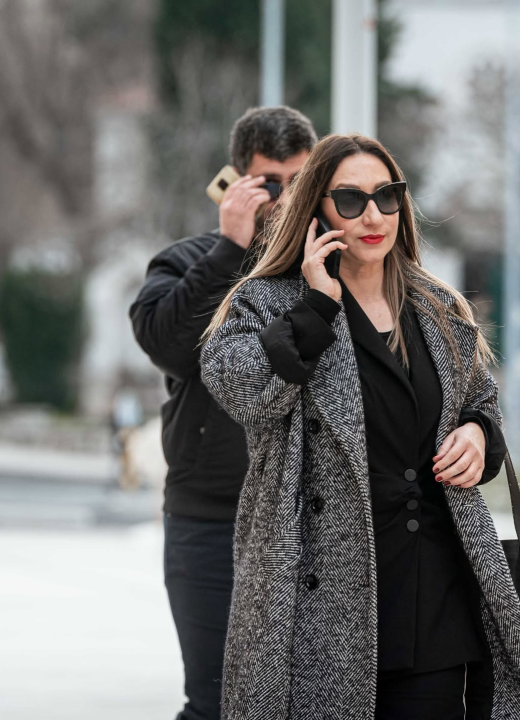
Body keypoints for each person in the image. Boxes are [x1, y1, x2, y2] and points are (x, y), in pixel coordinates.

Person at [200, 134, 520, 720]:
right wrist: (317, 309)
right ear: (316, 210)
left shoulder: (437, 308)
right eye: (349, 200)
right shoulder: (269, 303)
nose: (372, 216)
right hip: (321, 595)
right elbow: (238, 390)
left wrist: (476, 433)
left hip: (435, 588)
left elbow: (483, 403)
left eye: (387, 196)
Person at [129, 106, 317, 720]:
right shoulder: (186, 263)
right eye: (270, 182)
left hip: (311, 520)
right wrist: (229, 248)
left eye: (300, 180)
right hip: (209, 520)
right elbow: (172, 348)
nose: (286, 198)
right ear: (237, 179)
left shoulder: (330, 270)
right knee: (214, 703)